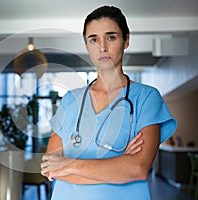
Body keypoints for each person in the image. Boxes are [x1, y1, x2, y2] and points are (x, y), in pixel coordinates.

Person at [40, 5, 177, 200]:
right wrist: (117, 166)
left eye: (111, 37)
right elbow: (50, 169)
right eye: (93, 39)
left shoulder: (146, 98)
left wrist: (68, 165)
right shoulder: (71, 100)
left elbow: (137, 169)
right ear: (87, 45)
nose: (102, 47)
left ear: (126, 40)